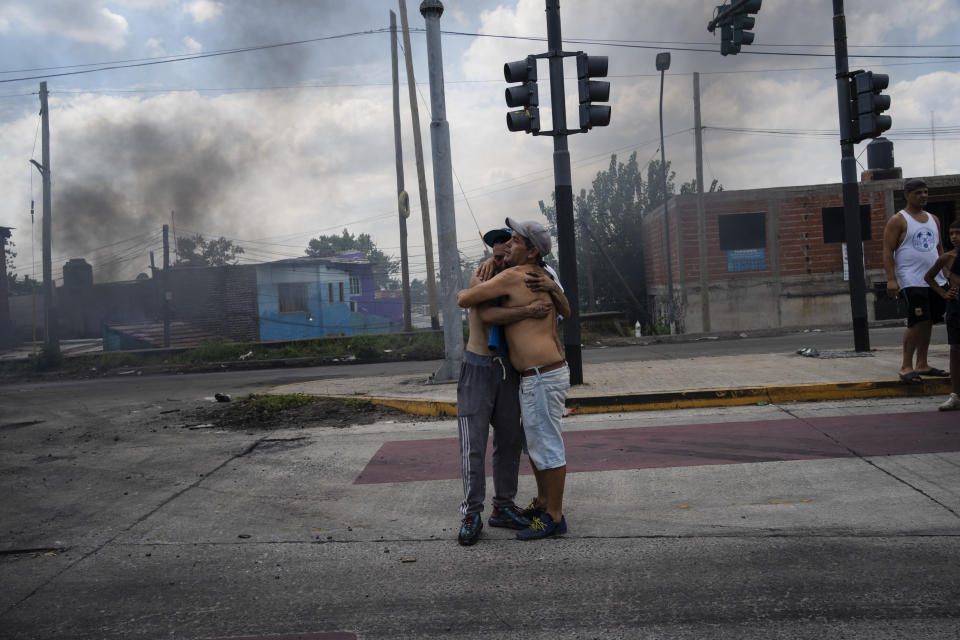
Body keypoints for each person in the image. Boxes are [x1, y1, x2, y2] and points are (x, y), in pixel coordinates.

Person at [457, 218, 571, 541]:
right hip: (484, 366)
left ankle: (532, 510)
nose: (499, 248)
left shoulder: (540, 276)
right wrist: (525, 310)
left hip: (522, 371)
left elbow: (566, 309)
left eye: (508, 242)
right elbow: (474, 307)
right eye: (494, 244)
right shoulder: (487, 276)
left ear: (523, 249)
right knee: (482, 444)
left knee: (521, 443)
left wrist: (551, 288)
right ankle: (472, 513)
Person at [882, 178, 949, 383]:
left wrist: (946, 271)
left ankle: (922, 364)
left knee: (928, 321)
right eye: (919, 193)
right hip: (911, 280)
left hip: (934, 279)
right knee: (917, 321)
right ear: (907, 195)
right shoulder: (898, 220)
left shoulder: (933, 219)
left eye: (926, 192)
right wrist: (892, 279)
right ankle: (906, 366)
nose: (923, 196)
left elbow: (938, 249)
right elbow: (887, 250)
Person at [923, 220, 960, 410]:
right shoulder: (947, 257)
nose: (954, 237)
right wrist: (944, 293)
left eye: (958, 233)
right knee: (955, 350)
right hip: (955, 308)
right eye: (952, 233)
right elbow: (929, 277)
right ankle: (955, 395)